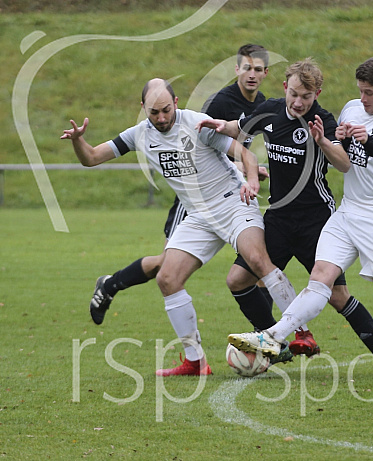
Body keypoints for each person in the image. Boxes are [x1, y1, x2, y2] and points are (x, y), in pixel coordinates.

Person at [61, 78, 299, 376]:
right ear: (143, 109)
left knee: (257, 259)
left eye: (165, 110)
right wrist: (77, 141)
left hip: (232, 201)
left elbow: (244, 154)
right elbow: (93, 158)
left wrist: (251, 178)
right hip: (198, 214)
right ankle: (195, 362)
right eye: (153, 113)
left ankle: (299, 332)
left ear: (175, 103)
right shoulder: (139, 134)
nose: (161, 118)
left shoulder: (197, 123)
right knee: (167, 278)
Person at [227, 55, 373, 377]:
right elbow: (242, 133)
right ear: (285, 88)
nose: (362, 98)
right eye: (360, 91)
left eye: (369, 92)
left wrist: (345, 141)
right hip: (338, 211)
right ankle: (272, 338)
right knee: (309, 279)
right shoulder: (351, 109)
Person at [87, 44, 270, 327]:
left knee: (255, 265)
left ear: (266, 73)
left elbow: (234, 153)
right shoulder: (220, 103)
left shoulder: (262, 104)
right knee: (166, 267)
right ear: (237, 69)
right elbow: (202, 149)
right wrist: (242, 168)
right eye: (247, 68)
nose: (252, 75)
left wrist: (250, 169)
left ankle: (266, 336)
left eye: (258, 69)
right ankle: (111, 285)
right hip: (195, 198)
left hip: (228, 194)